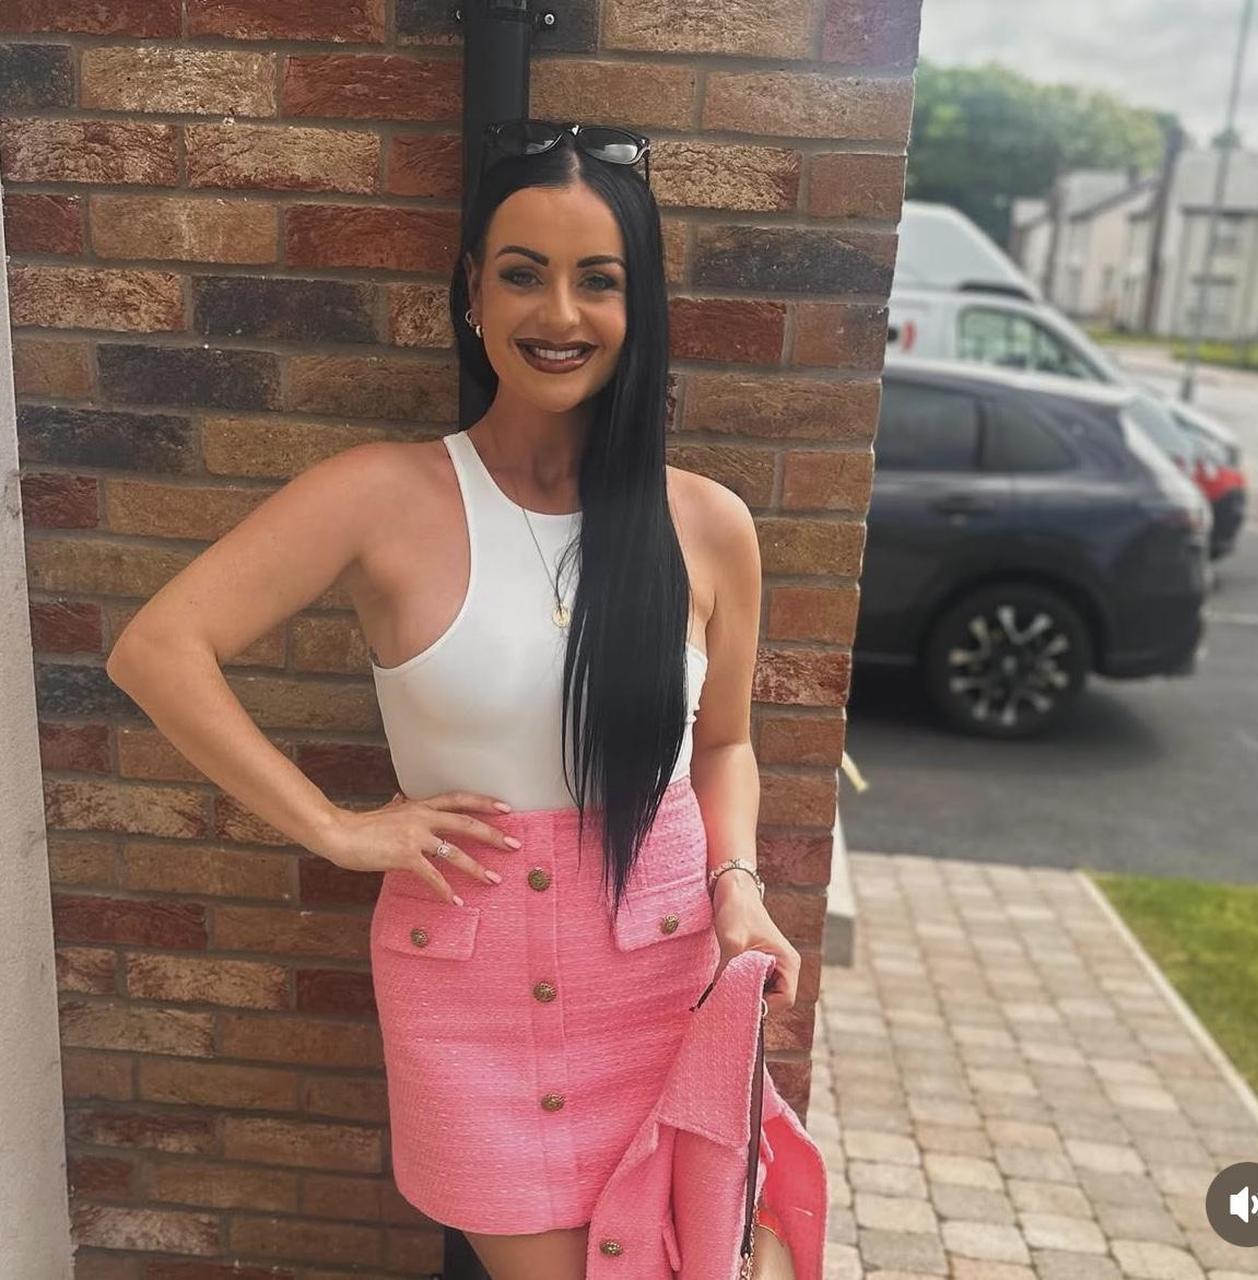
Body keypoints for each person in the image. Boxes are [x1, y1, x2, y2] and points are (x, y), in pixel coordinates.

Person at [106, 118, 802, 1280]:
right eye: (523, 273)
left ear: (638, 309)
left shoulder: (706, 523)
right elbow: (158, 647)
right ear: (471, 293)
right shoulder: (380, 495)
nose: (558, 312)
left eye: (598, 280)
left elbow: (722, 742)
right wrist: (334, 827)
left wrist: (738, 884)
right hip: (468, 985)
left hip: (664, 966)